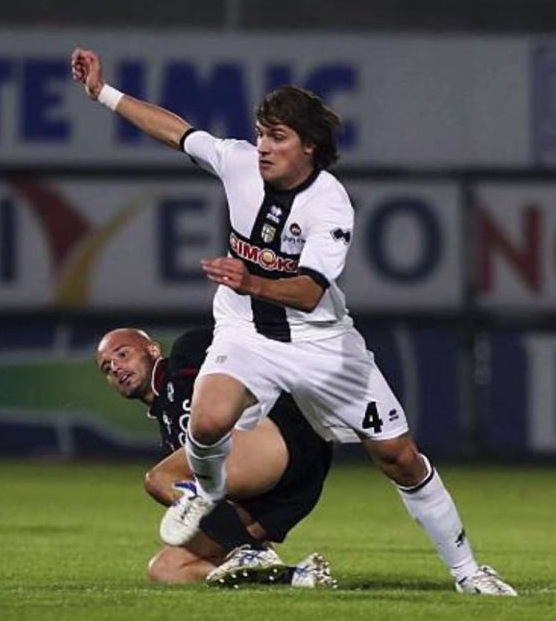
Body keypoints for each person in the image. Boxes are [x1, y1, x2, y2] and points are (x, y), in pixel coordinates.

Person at [72, 47, 517, 596]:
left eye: (277, 137)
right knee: (207, 423)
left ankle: (469, 571)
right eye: (261, 133)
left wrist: (249, 279)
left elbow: (308, 294)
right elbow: (177, 132)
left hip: (322, 345)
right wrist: (104, 93)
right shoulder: (238, 163)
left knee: (400, 457)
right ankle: (204, 494)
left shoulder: (329, 205)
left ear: (309, 147)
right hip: (245, 334)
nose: (262, 146)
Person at [97, 326, 335, 588]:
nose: (116, 368)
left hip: (283, 432)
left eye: (122, 354)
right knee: (166, 569)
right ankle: (294, 577)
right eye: (107, 368)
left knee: (161, 477)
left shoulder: (185, 355)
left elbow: (251, 338)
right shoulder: (169, 432)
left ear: (152, 350)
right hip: (282, 495)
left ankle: (249, 550)